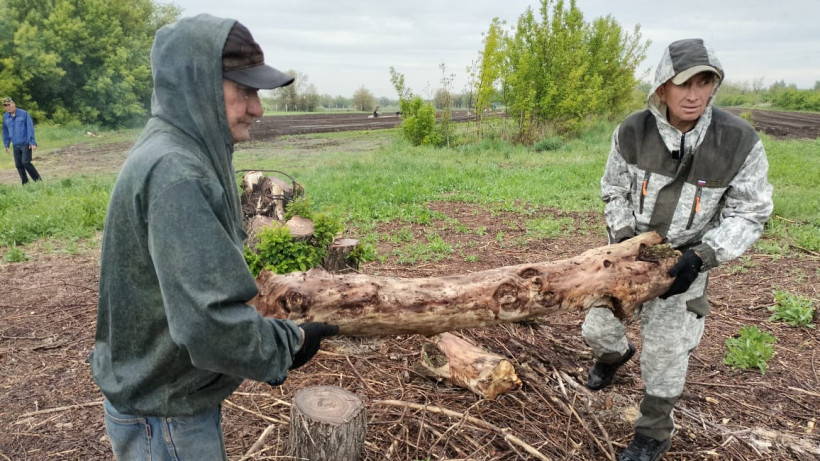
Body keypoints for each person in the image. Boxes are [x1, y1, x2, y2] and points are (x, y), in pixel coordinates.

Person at [88, 14, 339, 460]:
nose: (258, 108)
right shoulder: (177, 173)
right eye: (244, 90)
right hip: (163, 419)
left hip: (161, 401)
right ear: (197, 85)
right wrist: (289, 344)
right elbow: (207, 324)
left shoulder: (184, 148)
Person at [581, 38, 773, 461]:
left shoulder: (738, 141)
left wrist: (702, 257)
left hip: (687, 262)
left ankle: (653, 432)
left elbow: (751, 212)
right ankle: (614, 355)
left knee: (666, 352)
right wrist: (625, 236)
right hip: (629, 255)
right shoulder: (632, 131)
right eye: (684, 84)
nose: (694, 94)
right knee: (596, 328)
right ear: (662, 87)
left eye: (705, 83)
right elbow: (613, 189)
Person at [2, 97, 42, 184]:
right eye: (5, 106)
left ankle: (38, 181)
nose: (8, 107)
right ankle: (25, 183)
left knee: (26, 162)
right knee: (18, 165)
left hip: (25, 143)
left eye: (9, 104)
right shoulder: (5, 117)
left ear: (13, 104)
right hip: (15, 144)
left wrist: (32, 142)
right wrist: (6, 144)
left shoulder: (23, 114)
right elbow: (5, 131)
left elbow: (30, 128)